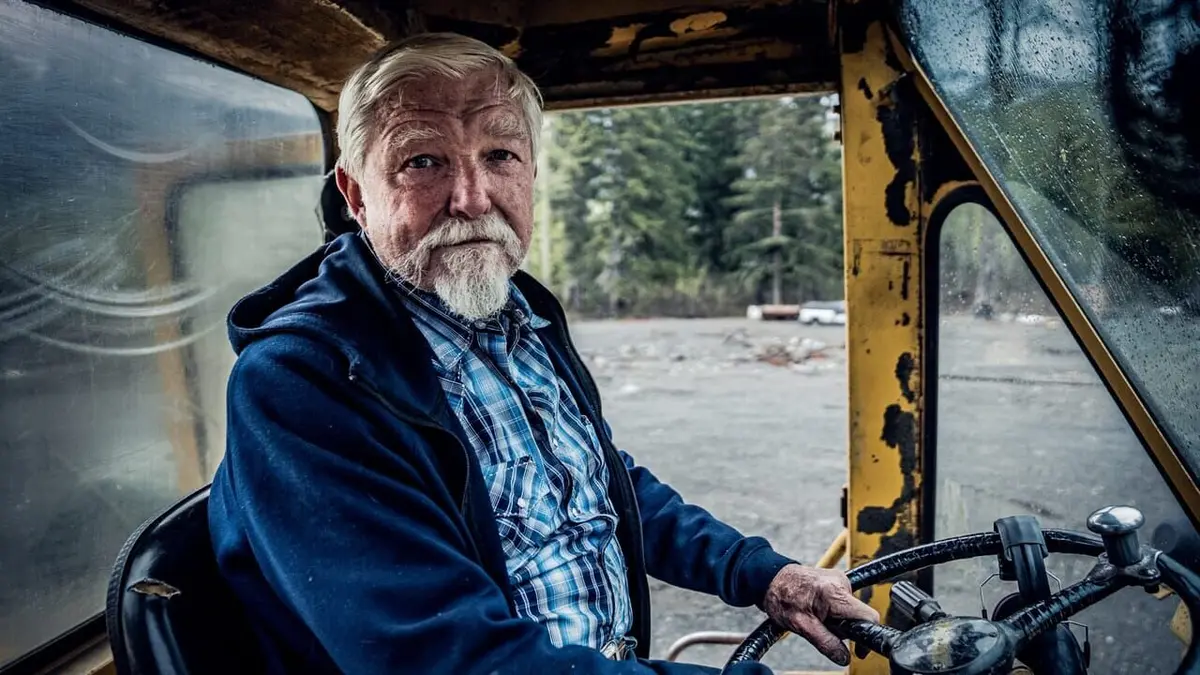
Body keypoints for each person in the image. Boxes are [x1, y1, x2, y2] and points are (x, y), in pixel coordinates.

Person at [207, 32, 878, 675]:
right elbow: (443, 658)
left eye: (499, 155)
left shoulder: (516, 313)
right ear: (357, 195)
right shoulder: (301, 381)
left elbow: (593, 483)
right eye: (423, 162)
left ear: (530, 171)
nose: (471, 199)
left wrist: (763, 573)